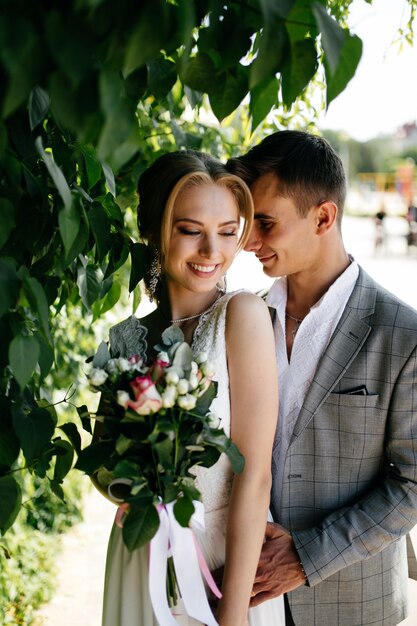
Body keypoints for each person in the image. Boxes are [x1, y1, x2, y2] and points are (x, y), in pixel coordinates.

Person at [227, 130, 417, 626]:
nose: (250, 242)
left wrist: (306, 556)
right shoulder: (240, 319)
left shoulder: (404, 334)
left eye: (265, 223)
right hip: (239, 593)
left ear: (324, 217)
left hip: (352, 602)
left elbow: (414, 484)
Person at [93, 149, 285, 626]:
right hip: (142, 554)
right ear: (156, 230)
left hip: (225, 562)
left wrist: (235, 611)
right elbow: (101, 465)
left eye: (226, 232)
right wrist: (140, 478)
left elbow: (255, 472)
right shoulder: (125, 338)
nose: (211, 252)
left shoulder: (242, 316)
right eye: (190, 230)